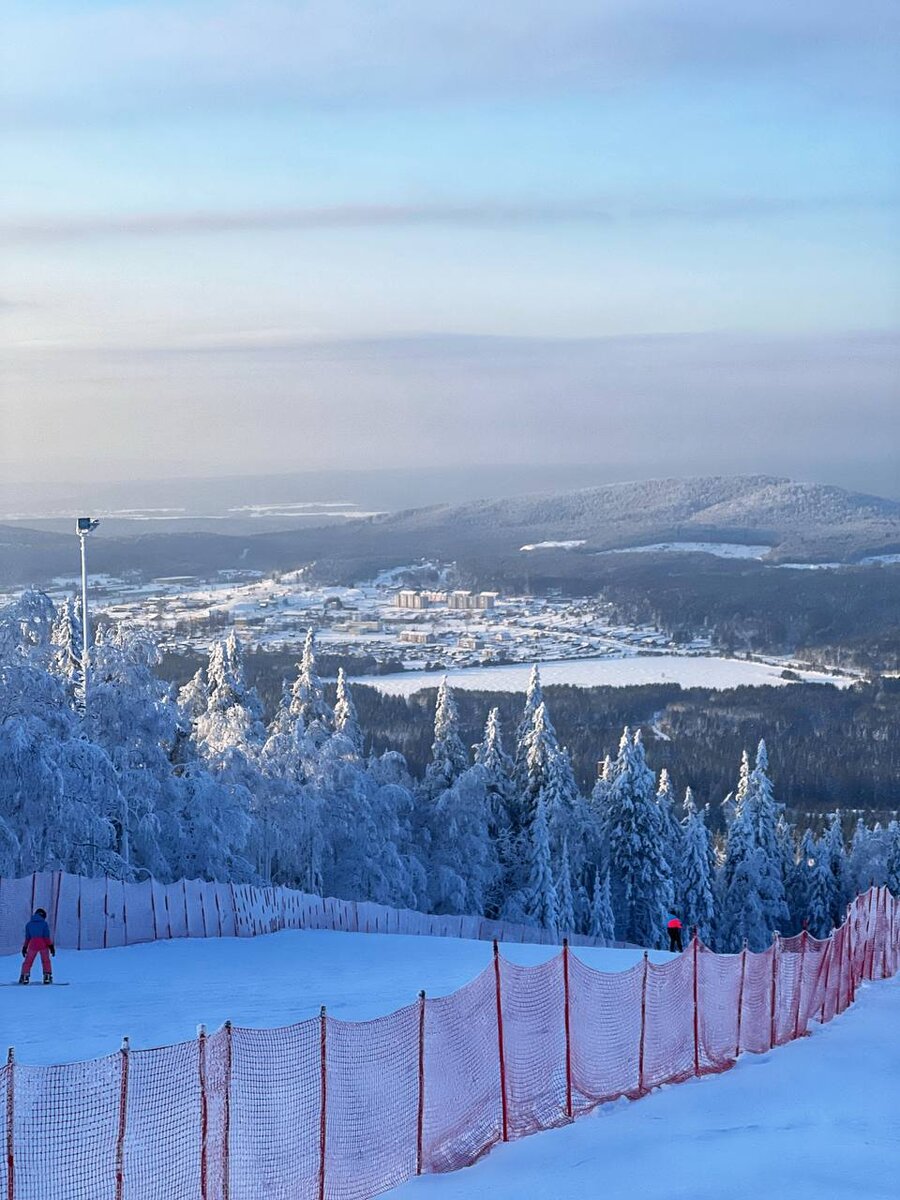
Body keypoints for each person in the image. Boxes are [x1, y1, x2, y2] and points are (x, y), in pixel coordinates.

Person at [19, 908, 55, 985]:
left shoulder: (29, 924)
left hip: (32, 945)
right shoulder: (44, 924)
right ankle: (47, 976)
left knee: (28, 961)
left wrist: (25, 947)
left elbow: (27, 937)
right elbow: (46, 937)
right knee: (46, 961)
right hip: (43, 945)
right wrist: (51, 946)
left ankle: (25, 976)